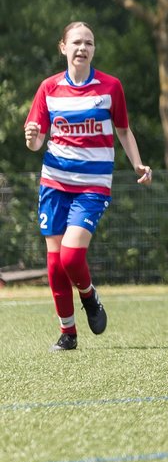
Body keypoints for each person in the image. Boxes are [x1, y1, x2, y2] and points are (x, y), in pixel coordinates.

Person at [24, 21, 153, 352]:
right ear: (63, 47)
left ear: (94, 50)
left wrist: (137, 163)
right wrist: (31, 137)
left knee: (70, 257)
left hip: (93, 186)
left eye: (89, 43)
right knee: (54, 263)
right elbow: (36, 141)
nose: (83, 48)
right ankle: (68, 334)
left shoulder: (110, 87)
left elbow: (124, 130)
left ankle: (89, 295)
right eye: (77, 42)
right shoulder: (48, 88)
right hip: (54, 183)